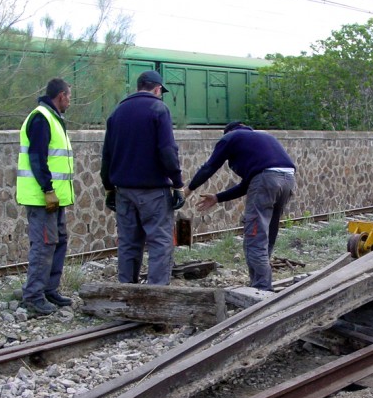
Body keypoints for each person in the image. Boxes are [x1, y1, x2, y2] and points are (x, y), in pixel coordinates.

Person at [185, 122, 295, 291]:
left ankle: (261, 289)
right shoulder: (263, 137)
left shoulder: (231, 137)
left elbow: (209, 167)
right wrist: (217, 197)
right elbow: (248, 185)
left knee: (254, 237)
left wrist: (189, 189)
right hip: (288, 179)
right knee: (267, 235)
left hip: (266, 180)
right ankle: (261, 283)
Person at [101, 70, 185, 285]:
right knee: (159, 243)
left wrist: (109, 187)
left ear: (139, 86)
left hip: (123, 191)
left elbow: (107, 154)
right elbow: (167, 150)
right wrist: (177, 184)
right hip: (153, 191)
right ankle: (156, 295)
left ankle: (127, 292)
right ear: (157, 89)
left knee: (128, 243)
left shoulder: (117, 112)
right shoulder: (158, 108)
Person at [16, 77, 74, 316]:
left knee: (58, 241)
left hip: (54, 197)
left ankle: (49, 290)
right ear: (60, 95)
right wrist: (47, 189)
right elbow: (37, 157)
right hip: (42, 197)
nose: (70, 101)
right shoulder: (41, 118)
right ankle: (33, 296)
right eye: (69, 96)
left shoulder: (52, 118)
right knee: (44, 244)